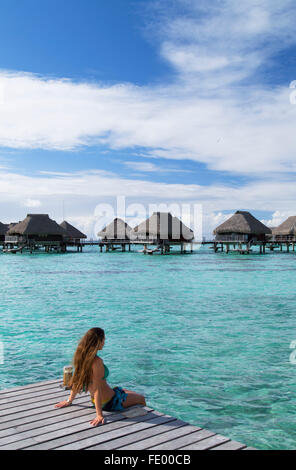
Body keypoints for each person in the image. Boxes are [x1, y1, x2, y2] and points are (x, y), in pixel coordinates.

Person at [54, 327, 146, 426]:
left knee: (124, 390)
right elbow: (98, 389)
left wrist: (69, 400)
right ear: (98, 341)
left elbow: (77, 380)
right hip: (111, 402)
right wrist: (99, 415)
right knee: (141, 398)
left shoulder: (81, 356)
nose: (104, 343)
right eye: (103, 340)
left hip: (99, 399)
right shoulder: (97, 361)